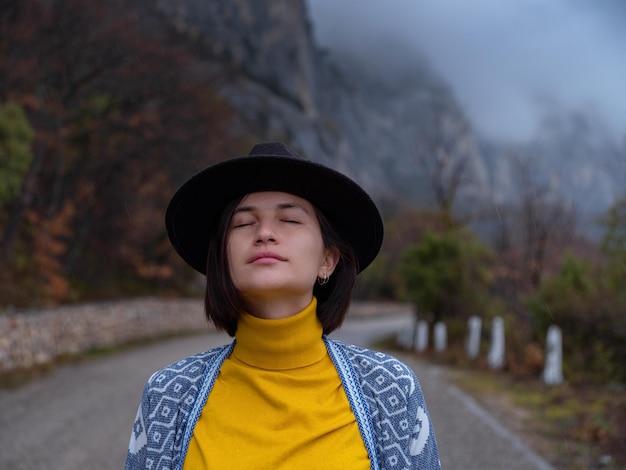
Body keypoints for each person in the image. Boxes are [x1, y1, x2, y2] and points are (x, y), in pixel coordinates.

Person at [125, 142, 441, 470]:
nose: (264, 233)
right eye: (243, 223)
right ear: (221, 258)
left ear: (328, 260)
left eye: (289, 219)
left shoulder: (389, 388)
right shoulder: (168, 395)